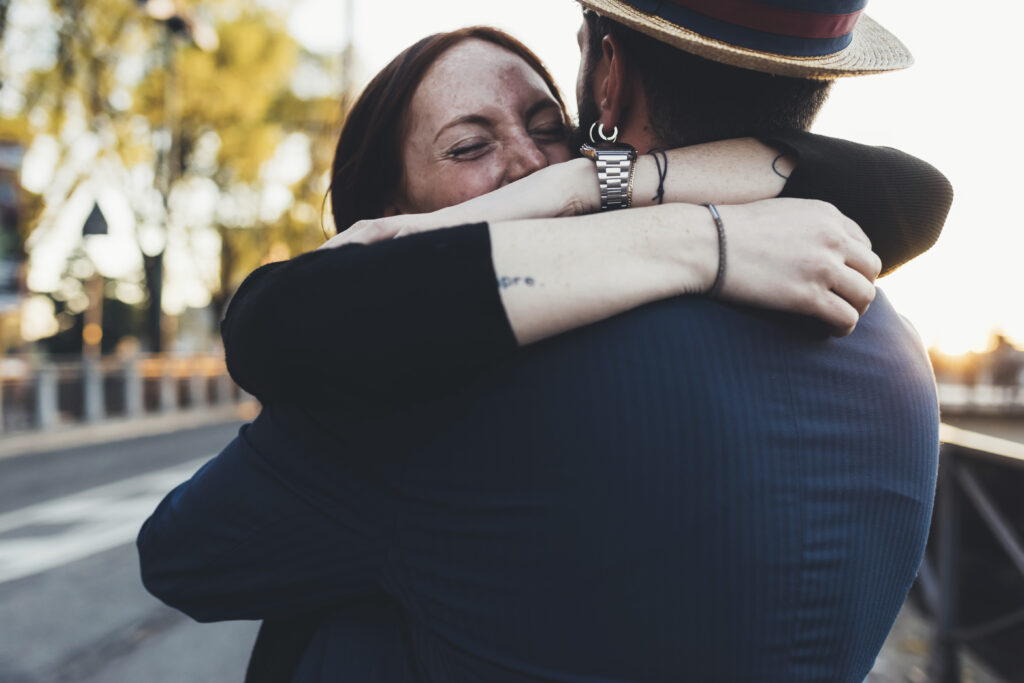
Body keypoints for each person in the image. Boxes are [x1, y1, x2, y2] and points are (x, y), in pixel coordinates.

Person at [139, 8, 952, 682]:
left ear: (607, 74)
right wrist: (669, 222)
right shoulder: (897, 358)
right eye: (468, 146)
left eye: (547, 129)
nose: (529, 166)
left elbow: (186, 555)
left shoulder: (459, 376)